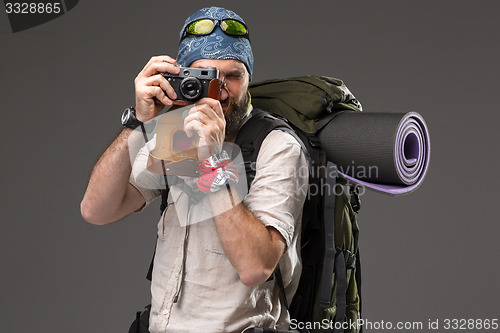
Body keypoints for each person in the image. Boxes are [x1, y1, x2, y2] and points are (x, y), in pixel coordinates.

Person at [81, 7, 308, 333]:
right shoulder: (176, 135)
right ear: (183, 78)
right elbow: (96, 209)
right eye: (206, 76)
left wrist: (210, 158)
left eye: (233, 75)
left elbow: (255, 268)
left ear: (249, 79)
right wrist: (138, 122)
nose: (221, 90)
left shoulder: (278, 147)